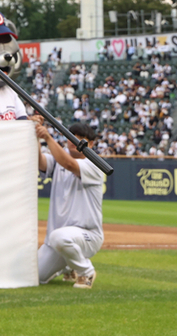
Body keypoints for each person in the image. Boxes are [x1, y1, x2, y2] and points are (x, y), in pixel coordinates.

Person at [34, 118, 104, 289]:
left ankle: (86, 272)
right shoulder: (58, 159)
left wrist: (48, 138)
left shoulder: (95, 164)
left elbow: (69, 163)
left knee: (59, 237)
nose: (74, 140)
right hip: (58, 239)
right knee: (35, 276)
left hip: (87, 235)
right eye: (72, 136)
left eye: (80, 138)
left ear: (91, 144)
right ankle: (68, 266)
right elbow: (40, 161)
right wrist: (36, 135)